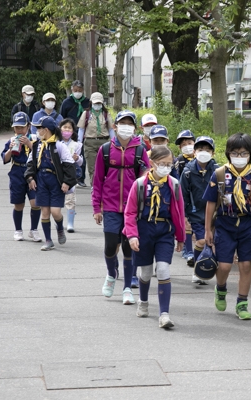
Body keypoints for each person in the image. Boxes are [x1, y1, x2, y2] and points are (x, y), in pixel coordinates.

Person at [203, 133, 251, 320]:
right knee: (224, 266)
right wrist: (208, 229)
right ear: (228, 153)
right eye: (235, 153)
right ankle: (221, 288)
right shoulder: (219, 174)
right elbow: (210, 203)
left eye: (244, 153)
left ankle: (242, 303)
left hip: (248, 225)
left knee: (245, 265)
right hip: (225, 224)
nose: (239, 157)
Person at [123, 146, 185, 329]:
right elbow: (130, 212)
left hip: (165, 231)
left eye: (169, 164)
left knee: (164, 270)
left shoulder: (173, 184)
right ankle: (143, 301)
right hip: (144, 230)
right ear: (152, 163)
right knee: (146, 272)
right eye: (162, 164)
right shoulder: (140, 184)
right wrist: (132, 235)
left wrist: (180, 237)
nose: (166, 167)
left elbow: (179, 213)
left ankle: (164, 314)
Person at [92, 110, 150, 304]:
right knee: (110, 246)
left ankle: (127, 288)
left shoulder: (140, 151)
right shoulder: (106, 150)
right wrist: (96, 208)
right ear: (115, 126)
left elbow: (147, 179)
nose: (126, 127)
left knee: (128, 248)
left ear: (134, 128)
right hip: (109, 206)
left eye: (129, 123)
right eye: (122, 123)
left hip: (132, 209)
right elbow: (98, 180)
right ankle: (111, 274)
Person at [24, 116, 77, 251]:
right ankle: (48, 240)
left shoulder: (59, 145)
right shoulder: (37, 145)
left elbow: (69, 165)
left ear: (46, 130)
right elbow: (30, 163)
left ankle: (59, 227)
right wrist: (30, 178)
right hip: (41, 181)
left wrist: (67, 182)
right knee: (45, 212)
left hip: (55, 182)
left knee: (55, 212)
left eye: (39, 129)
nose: (37, 131)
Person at [180, 136, 219, 285]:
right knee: (202, 240)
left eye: (208, 150)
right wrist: (184, 216)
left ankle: (206, 267)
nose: (204, 152)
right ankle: (197, 268)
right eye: (201, 149)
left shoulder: (217, 170)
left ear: (213, 153)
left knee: (211, 242)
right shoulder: (188, 172)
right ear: (195, 152)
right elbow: (182, 194)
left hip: (215, 214)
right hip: (196, 213)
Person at [0, 112, 42, 242]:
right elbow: (4, 159)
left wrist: (29, 144)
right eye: (16, 128)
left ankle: (34, 230)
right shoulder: (12, 140)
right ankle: (18, 230)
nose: (19, 130)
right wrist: (10, 149)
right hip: (17, 172)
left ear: (28, 126)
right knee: (18, 204)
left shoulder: (35, 138)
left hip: (32, 172)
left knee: (35, 202)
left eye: (22, 127)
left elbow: (40, 154)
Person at [78, 92, 114, 188]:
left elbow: (111, 129)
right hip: (90, 142)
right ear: (91, 103)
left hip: (104, 142)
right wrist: (78, 144)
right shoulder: (86, 114)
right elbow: (81, 129)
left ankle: (105, 186)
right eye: (95, 103)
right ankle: (95, 187)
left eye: (99, 103)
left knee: (105, 166)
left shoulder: (106, 114)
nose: (97, 105)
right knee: (92, 167)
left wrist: (114, 142)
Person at [174, 130, 196, 262]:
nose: (187, 146)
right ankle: (188, 250)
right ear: (179, 147)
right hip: (184, 196)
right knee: (186, 223)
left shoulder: (201, 159)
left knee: (197, 223)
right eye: (183, 144)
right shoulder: (179, 161)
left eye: (190, 143)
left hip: (198, 196)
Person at [59, 118, 84, 233]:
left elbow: (81, 162)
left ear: (73, 131)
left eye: (69, 128)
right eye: (65, 127)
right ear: (60, 129)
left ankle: (70, 223)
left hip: (70, 176)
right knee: (57, 199)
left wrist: (77, 158)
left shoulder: (77, 145)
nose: (67, 130)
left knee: (70, 199)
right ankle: (58, 221)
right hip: (58, 175)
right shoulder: (56, 143)